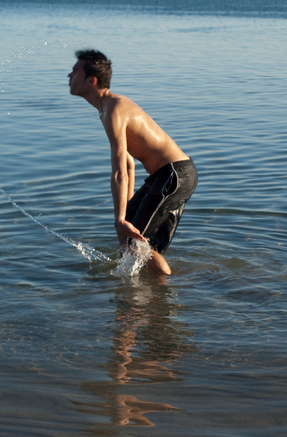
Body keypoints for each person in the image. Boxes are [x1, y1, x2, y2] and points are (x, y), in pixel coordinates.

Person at [68, 49, 197, 275]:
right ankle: (140, 287)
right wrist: (126, 214)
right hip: (166, 176)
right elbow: (129, 163)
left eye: (74, 71)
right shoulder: (106, 109)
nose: (69, 75)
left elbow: (119, 172)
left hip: (174, 175)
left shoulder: (114, 109)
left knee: (136, 243)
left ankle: (169, 287)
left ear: (91, 80)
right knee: (132, 240)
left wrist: (120, 219)